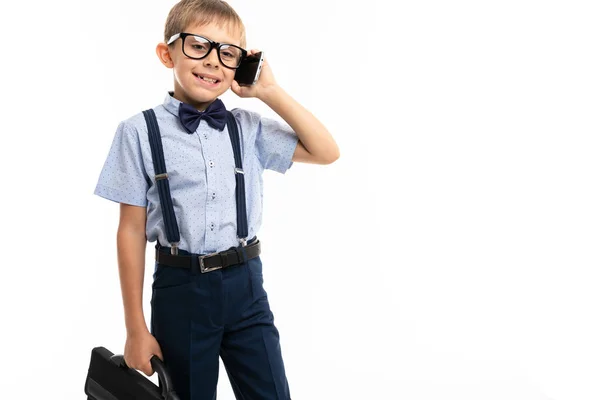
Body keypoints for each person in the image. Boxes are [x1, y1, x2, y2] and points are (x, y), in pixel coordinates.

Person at [93, 0, 339, 399]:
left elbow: (327, 151)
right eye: (198, 46)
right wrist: (135, 328)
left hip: (247, 287)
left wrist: (269, 91)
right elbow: (131, 231)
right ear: (166, 52)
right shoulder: (138, 132)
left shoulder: (249, 128)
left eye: (227, 53)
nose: (212, 62)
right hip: (181, 289)